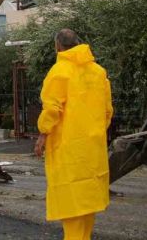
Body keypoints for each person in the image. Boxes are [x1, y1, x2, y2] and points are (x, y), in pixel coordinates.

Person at [34, 29, 113, 240]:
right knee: (87, 208)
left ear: (57, 47)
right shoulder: (98, 72)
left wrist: (43, 134)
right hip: (93, 151)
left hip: (68, 151)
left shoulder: (59, 72)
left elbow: (52, 109)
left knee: (72, 209)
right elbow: (107, 112)